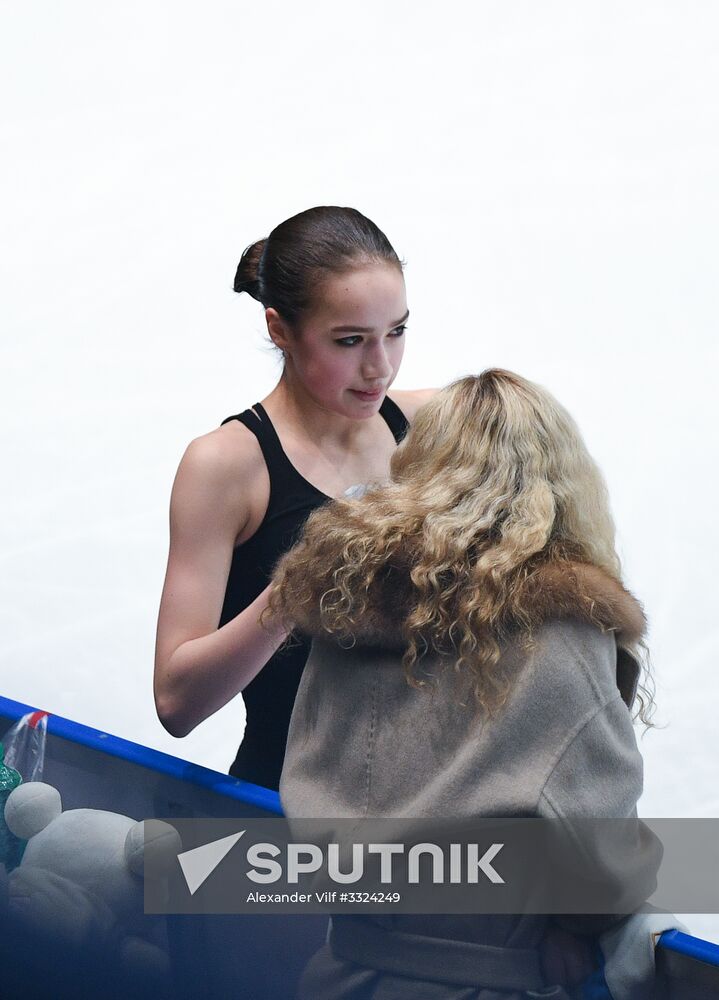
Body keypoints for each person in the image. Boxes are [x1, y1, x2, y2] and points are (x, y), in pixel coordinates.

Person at [270, 369, 661, 999]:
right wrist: (577, 927)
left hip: (340, 974)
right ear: (561, 486)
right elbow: (601, 865)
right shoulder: (560, 637)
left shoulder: (346, 613)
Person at [153, 206, 436, 790]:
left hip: (425, 809)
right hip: (286, 813)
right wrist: (295, 591)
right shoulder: (228, 466)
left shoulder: (432, 425)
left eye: (397, 331)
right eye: (350, 340)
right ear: (279, 329)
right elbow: (176, 703)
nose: (379, 366)